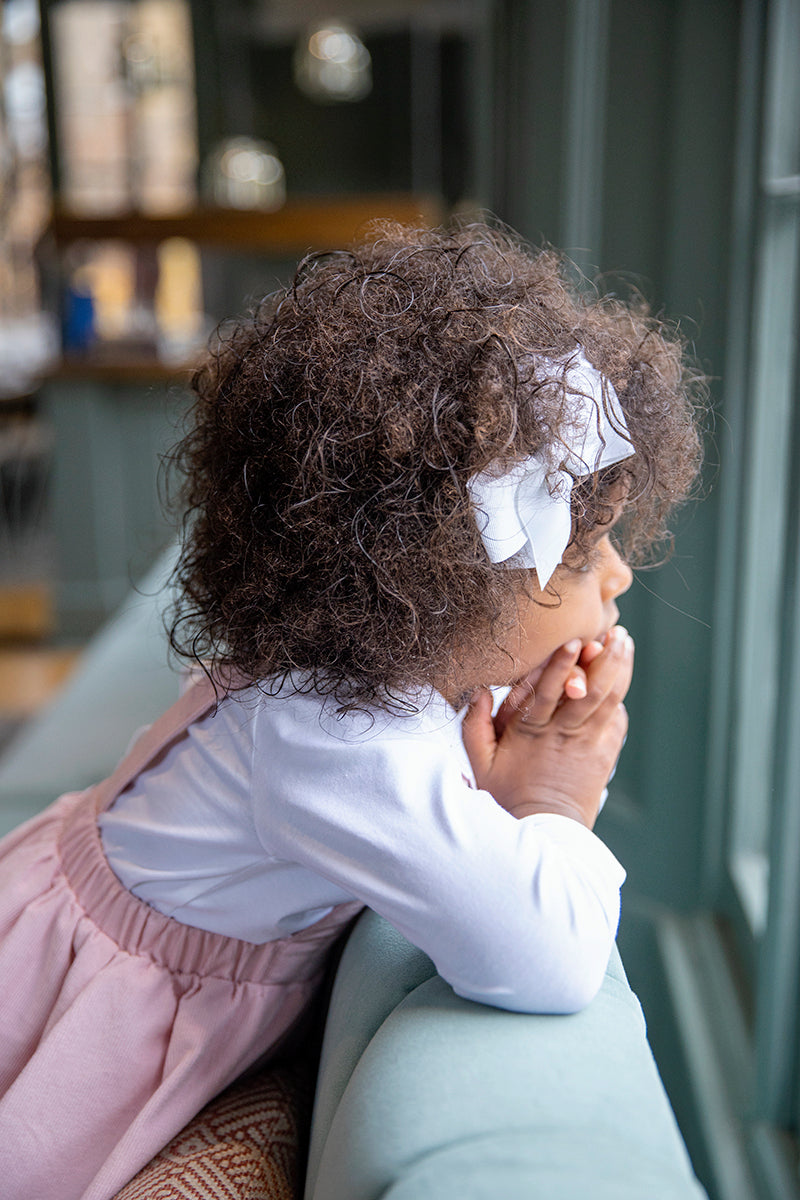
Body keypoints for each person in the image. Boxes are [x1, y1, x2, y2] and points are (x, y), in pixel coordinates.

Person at [0, 221, 702, 1199]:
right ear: (436, 584)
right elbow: (550, 962)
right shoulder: (333, 739)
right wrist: (548, 795)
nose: (619, 575)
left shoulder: (351, 676)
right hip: (67, 1017)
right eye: (580, 555)